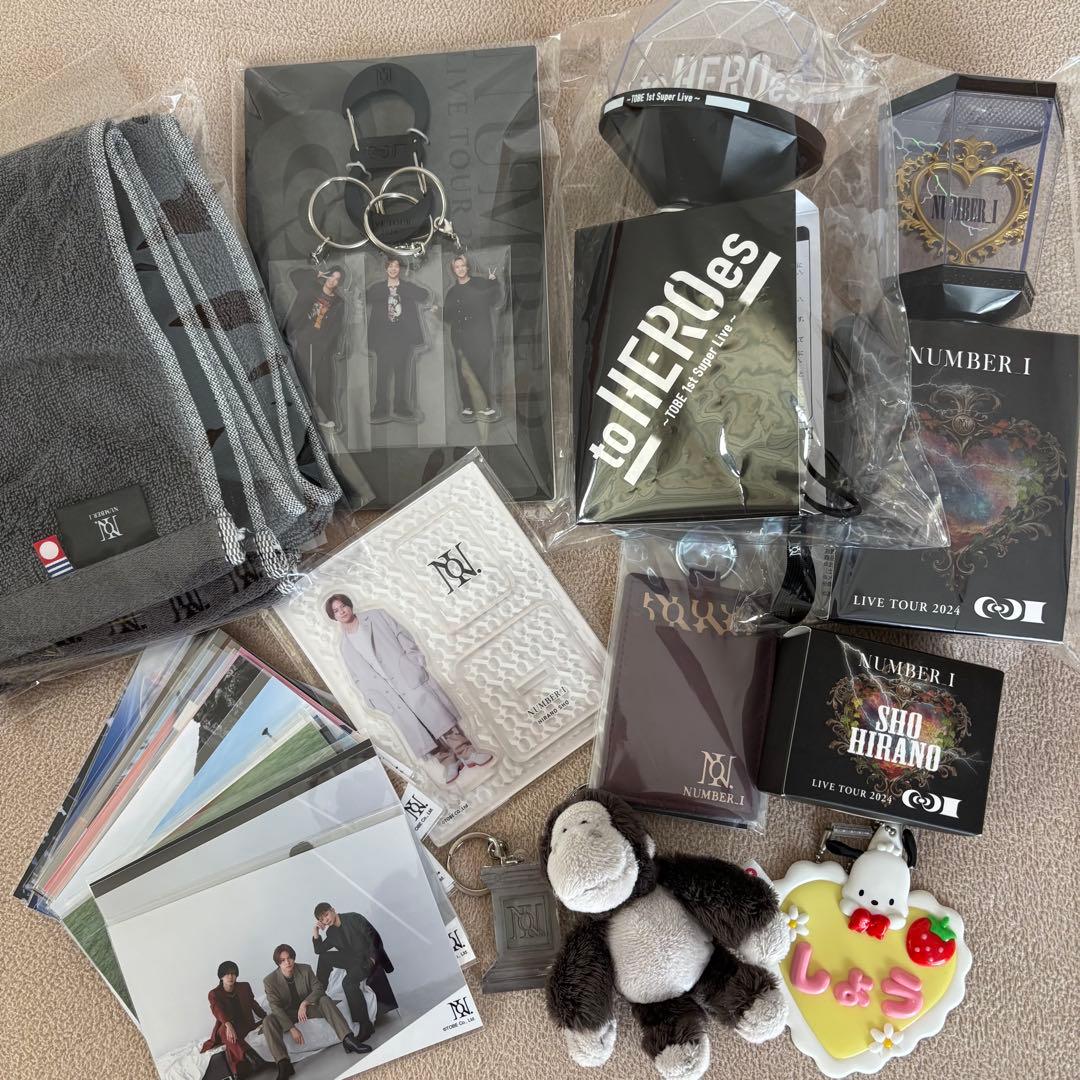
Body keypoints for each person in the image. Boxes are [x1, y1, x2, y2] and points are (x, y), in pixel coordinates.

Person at [324, 593, 494, 785]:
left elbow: (402, 636)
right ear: (333, 617)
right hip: (387, 693)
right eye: (336, 611)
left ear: (350, 605)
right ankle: (448, 762)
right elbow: (357, 677)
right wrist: (373, 698)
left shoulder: (377, 616)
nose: (342, 611)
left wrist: (414, 662)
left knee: (438, 716)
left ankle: (468, 753)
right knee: (419, 730)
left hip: (406, 676)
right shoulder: (345, 647)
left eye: (343, 606)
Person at [262, 944, 370, 1080]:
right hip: (287, 1014)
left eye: (289, 958)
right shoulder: (270, 981)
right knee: (268, 1020)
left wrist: (305, 1003)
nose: (287, 962)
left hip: (308, 1009)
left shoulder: (305, 969)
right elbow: (275, 1007)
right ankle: (283, 1064)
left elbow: (319, 988)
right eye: (283, 960)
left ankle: (348, 1040)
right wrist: (291, 1028)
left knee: (325, 1000)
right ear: (278, 963)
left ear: (293, 958)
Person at [312, 902, 397, 1039]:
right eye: (322, 919)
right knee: (324, 957)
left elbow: (374, 937)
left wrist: (372, 959)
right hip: (352, 960)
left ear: (333, 910)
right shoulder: (331, 932)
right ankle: (319, 992)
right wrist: (315, 932)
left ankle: (365, 1025)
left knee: (348, 983)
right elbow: (319, 950)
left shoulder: (353, 918)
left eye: (326, 915)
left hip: (366, 959)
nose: (326, 920)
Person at [365, 256, 431, 424]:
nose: (393, 269)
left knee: (402, 372)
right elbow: (365, 297)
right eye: (390, 266)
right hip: (383, 337)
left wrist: (400, 289)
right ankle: (380, 408)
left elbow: (424, 295)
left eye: (396, 266)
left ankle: (401, 407)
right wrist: (388, 291)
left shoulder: (406, 286)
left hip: (403, 336)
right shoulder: (378, 287)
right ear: (386, 269)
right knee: (382, 372)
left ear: (400, 269)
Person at [283, 266, 348, 433]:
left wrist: (336, 348)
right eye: (331, 276)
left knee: (324, 380)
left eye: (337, 279)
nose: (332, 281)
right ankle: (301, 414)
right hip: (303, 339)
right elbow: (293, 275)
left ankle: (327, 418)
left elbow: (337, 327)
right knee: (303, 377)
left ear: (339, 283)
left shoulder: (339, 302)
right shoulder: (311, 287)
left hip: (322, 344)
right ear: (327, 276)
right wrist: (315, 273)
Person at [443, 254, 504, 423]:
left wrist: (493, 282)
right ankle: (467, 406)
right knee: (464, 372)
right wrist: (437, 311)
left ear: (467, 267)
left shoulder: (480, 283)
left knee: (482, 370)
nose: (460, 269)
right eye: (457, 267)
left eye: (462, 266)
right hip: (460, 339)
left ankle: (486, 406)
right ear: (453, 270)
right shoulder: (452, 292)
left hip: (481, 336)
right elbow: (447, 317)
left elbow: (495, 300)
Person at [200, 961, 270, 1079]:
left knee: (231, 1040)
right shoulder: (214, 994)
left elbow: (253, 1004)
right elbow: (217, 1011)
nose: (230, 977)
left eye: (233, 973)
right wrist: (228, 1025)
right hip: (227, 1027)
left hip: (245, 1025)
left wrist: (266, 1017)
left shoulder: (244, 987)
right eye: (227, 974)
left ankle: (238, 1072)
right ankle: (251, 1056)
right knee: (224, 1030)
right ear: (221, 977)